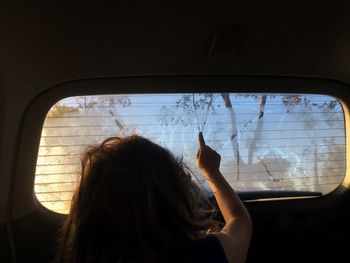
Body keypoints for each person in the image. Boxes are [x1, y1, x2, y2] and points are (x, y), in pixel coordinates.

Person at [54, 132, 252, 263]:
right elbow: (240, 221)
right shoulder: (201, 255)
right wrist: (212, 172)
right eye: (181, 175)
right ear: (168, 199)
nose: (188, 179)